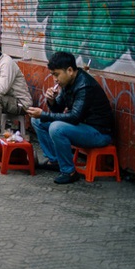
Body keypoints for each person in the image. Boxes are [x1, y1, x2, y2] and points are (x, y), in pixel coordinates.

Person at [26, 51, 115, 184]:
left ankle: (69, 171)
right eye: (53, 75)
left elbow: (74, 117)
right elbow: (58, 110)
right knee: (37, 121)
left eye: (57, 74)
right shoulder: (68, 83)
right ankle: (55, 160)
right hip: (82, 128)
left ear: (70, 70)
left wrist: (44, 114)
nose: (55, 79)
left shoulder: (84, 85)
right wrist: (52, 101)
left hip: (99, 133)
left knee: (56, 128)